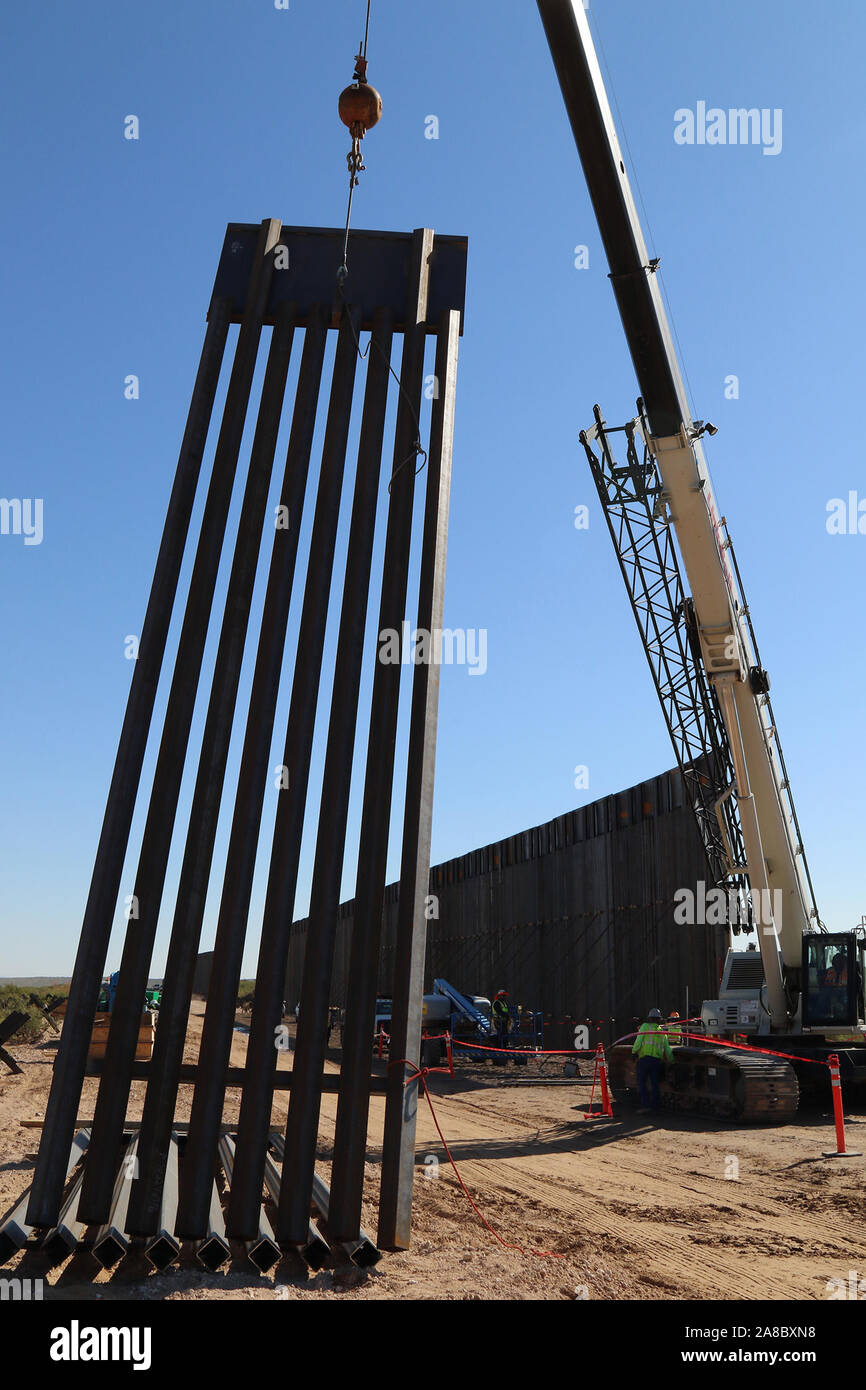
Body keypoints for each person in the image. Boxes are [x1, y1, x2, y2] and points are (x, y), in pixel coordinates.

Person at [631, 1008, 674, 1114]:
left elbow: (638, 1041)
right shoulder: (662, 1032)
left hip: (644, 1060)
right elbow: (667, 1049)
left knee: (641, 1083)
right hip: (656, 1062)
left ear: (649, 1018)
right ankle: (655, 1108)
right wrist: (672, 1060)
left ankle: (646, 1106)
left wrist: (633, 1052)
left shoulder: (645, 1027)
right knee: (655, 1084)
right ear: (659, 1019)